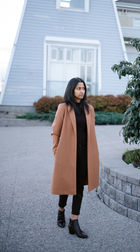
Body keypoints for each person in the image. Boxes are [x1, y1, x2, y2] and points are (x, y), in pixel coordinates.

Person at [50, 77, 99, 239]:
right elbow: (55, 130)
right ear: (72, 89)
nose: (81, 91)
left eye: (83, 88)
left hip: (84, 154)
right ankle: (61, 210)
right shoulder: (63, 107)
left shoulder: (89, 109)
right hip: (66, 154)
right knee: (66, 185)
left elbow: (90, 133)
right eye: (78, 88)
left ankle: (74, 221)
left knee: (79, 188)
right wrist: (56, 151)